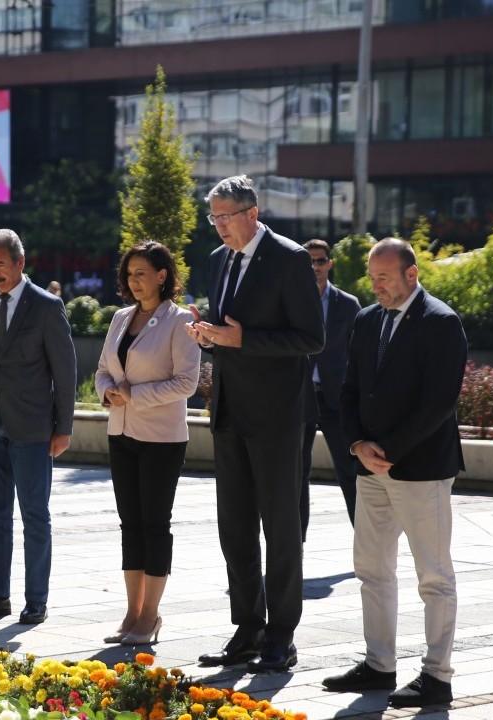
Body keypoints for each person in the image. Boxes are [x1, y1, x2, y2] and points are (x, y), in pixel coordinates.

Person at [186, 175, 324, 673]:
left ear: (252, 213)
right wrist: (208, 337)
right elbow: (228, 333)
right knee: (235, 528)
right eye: (214, 218)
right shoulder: (217, 259)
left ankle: (281, 636)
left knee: (281, 528)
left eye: (226, 217)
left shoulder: (289, 259)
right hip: (229, 409)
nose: (220, 226)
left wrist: (243, 340)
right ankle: (247, 628)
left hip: (277, 416)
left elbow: (312, 338)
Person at [323, 238, 467, 708]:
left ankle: (437, 676)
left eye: (384, 277)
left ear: (412, 273)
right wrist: (356, 445)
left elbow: (438, 403)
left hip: (421, 469)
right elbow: (349, 389)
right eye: (372, 278)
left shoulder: (441, 322)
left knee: (434, 577)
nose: (376, 286)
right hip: (370, 468)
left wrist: (387, 450)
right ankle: (379, 665)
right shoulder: (367, 320)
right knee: (372, 569)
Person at [0, 229, 76, 625]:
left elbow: (65, 371)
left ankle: (36, 600)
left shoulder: (46, 306)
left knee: (34, 514)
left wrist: (63, 427)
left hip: (32, 428)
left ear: (20, 263)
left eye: (0, 264)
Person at [95, 241, 201, 645]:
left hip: (160, 438)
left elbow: (186, 382)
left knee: (155, 525)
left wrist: (134, 395)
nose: (134, 281)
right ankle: (131, 613)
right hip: (121, 433)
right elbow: (103, 369)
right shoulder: (121, 317)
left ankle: (150, 615)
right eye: (130, 274)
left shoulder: (179, 321)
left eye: (142, 273)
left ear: (162, 275)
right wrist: (108, 392)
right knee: (130, 525)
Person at [300, 239, 361, 537]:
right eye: (309, 261)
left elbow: (359, 355)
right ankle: (295, 545)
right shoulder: (291, 301)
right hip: (300, 397)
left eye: (320, 261)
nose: (315, 267)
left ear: (330, 264)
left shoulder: (348, 305)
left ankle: (366, 539)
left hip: (336, 397)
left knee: (349, 470)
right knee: (298, 473)